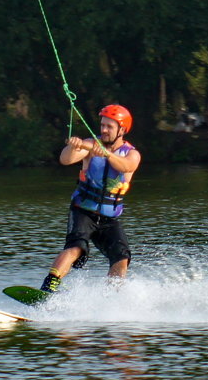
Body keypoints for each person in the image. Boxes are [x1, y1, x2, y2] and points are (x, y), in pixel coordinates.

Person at [40, 104, 141, 293]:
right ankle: (47, 288)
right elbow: (66, 159)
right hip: (83, 211)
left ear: (122, 130)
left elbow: (126, 166)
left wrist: (106, 153)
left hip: (109, 218)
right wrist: (73, 146)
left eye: (109, 127)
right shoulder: (90, 145)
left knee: (121, 257)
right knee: (76, 247)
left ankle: (111, 299)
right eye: (102, 125)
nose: (103, 129)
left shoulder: (131, 154)